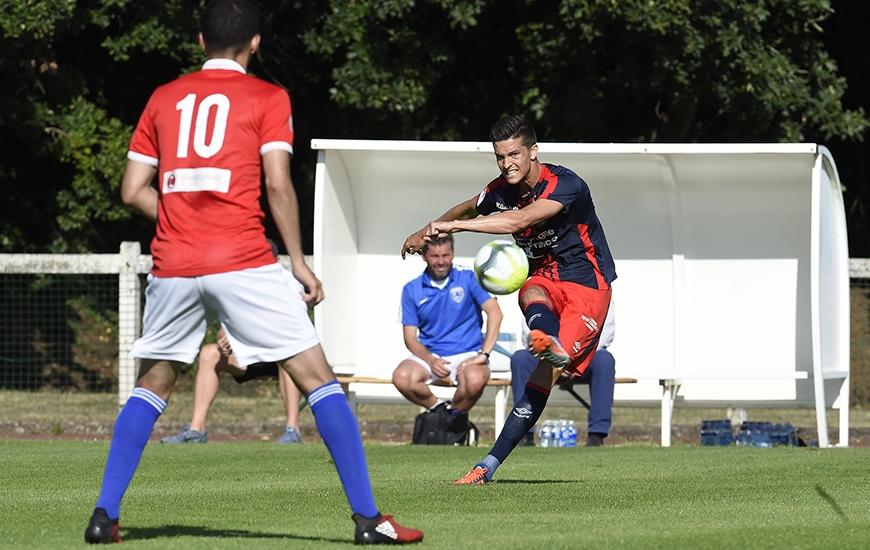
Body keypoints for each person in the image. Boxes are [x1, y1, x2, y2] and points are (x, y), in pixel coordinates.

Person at [85, 0, 422, 544]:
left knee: (153, 383)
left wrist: (182, 214)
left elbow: (131, 191)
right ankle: (368, 521)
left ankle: (104, 516)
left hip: (174, 261)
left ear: (199, 41)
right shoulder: (269, 96)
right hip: (243, 257)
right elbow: (278, 185)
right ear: (256, 42)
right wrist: (297, 261)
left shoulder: (163, 98)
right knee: (319, 379)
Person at [401, 115, 616, 485]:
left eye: (514, 154)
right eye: (500, 157)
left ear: (534, 151)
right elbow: (467, 207)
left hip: (588, 286)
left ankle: (550, 350)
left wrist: (455, 228)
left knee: (542, 377)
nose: (507, 163)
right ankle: (486, 468)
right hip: (547, 279)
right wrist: (427, 229)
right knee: (528, 290)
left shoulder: (567, 184)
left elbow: (521, 220)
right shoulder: (500, 188)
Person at [392, 234, 503, 423]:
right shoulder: (412, 289)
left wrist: (483, 355)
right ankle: (441, 411)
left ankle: (454, 418)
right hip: (431, 355)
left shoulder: (469, 278)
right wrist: (431, 359)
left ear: (453, 253)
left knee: (475, 379)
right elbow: (410, 338)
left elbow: (495, 314)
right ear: (423, 256)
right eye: (435, 256)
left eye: (446, 255)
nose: (442, 262)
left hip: (468, 353)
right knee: (401, 377)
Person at [160, 325, 305, 444]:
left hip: (282, 355)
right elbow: (222, 332)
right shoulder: (241, 295)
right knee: (209, 352)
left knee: (287, 353)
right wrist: (223, 341)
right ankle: (196, 430)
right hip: (250, 358)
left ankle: (292, 430)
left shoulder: (280, 296)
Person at [511, 299, 616, 447]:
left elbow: (605, 332)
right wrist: (554, 357)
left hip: (583, 357)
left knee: (604, 360)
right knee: (520, 359)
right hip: (545, 357)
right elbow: (530, 332)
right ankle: (524, 433)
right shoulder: (542, 285)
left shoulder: (599, 287)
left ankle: (597, 434)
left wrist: (571, 358)